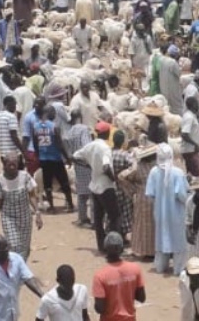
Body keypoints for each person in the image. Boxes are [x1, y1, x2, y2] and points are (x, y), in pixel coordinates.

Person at [73, 121, 122, 252]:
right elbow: (106, 167)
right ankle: (114, 246)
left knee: (99, 219)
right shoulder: (105, 148)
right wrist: (114, 179)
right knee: (114, 217)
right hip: (106, 186)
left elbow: (75, 156)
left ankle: (101, 246)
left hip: (94, 185)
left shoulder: (90, 146)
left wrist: (89, 166)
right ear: (107, 133)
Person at [146, 143, 190, 275]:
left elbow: (150, 195)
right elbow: (182, 195)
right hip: (176, 213)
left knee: (161, 238)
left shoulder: (153, 172)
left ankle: (160, 267)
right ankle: (178, 269)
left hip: (160, 213)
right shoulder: (178, 173)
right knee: (179, 241)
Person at [0, 152, 42, 261]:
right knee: (13, 246)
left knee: (24, 247)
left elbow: (32, 196)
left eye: (14, 164)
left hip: (25, 216)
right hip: (8, 217)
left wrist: (37, 213)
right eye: (9, 164)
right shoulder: (0, 180)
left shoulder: (25, 176)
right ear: (4, 163)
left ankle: (20, 269)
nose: (12, 167)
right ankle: (15, 270)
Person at [93, 232, 146, 321]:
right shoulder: (135, 269)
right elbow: (141, 298)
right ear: (122, 249)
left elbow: (100, 308)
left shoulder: (100, 276)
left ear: (105, 249)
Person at [119, 144, 159, 260]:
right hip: (156, 197)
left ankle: (144, 251)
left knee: (142, 226)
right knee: (155, 225)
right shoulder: (157, 167)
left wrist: (132, 190)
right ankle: (155, 250)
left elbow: (121, 176)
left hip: (142, 197)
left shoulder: (138, 167)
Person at [34, 105, 74, 212]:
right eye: (53, 112)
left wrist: (39, 156)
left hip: (44, 159)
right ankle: (70, 204)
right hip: (55, 158)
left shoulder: (36, 127)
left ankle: (51, 207)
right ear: (47, 113)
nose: (54, 115)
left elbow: (35, 144)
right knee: (64, 181)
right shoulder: (54, 127)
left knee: (47, 183)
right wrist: (67, 157)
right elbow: (59, 144)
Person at [65, 109, 94, 227]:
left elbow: (69, 149)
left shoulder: (70, 131)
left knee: (81, 193)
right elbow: (87, 146)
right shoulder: (83, 129)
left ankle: (82, 218)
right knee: (92, 194)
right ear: (80, 117)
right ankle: (94, 220)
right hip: (86, 164)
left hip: (77, 165)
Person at [0, 96, 27, 166]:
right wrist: (23, 151)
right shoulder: (11, 116)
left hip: (3, 154)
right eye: (14, 104)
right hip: (14, 154)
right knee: (18, 174)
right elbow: (14, 136)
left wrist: (1, 149)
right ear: (8, 104)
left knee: (8, 174)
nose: (15, 107)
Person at [22, 96, 47, 175]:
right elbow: (26, 137)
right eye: (35, 103)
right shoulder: (29, 117)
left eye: (39, 104)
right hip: (33, 152)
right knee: (32, 176)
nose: (36, 105)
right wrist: (24, 154)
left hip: (46, 152)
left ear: (44, 105)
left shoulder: (48, 116)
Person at [160, 45, 184, 114]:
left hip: (163, 86)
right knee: (176, 106)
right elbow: (179, 74)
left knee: (166, 105)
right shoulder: (173, 62)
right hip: (172, 88)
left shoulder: (162, 60)